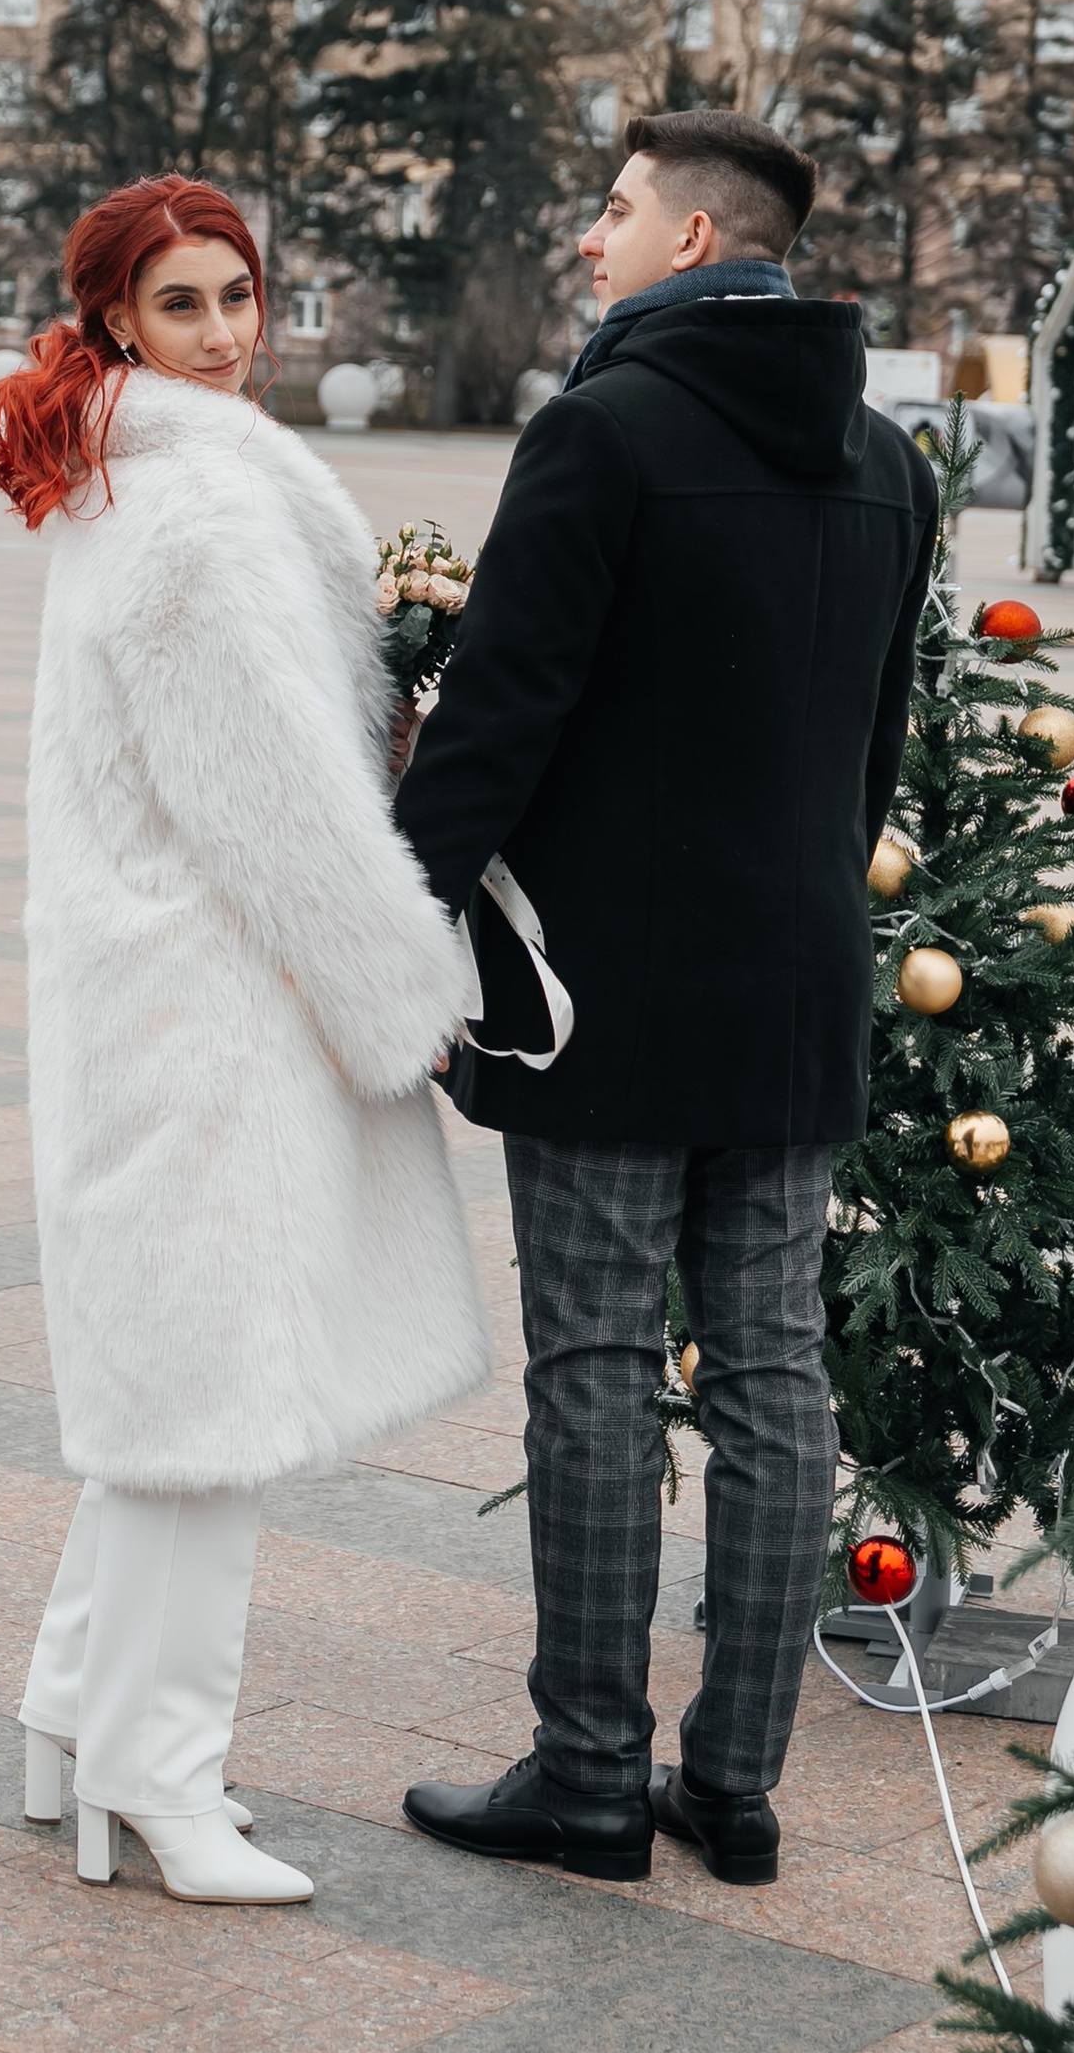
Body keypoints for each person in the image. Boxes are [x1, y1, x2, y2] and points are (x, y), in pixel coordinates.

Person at [394, 109, 937, 1887]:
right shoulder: (885, 459)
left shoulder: (600, 433)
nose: (590, 237)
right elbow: (873, 752)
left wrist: (396, 919)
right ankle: (738, 1783)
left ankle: (587, 1771)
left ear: (697, 243)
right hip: (794, 993)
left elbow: (499, 715)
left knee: (602, 1372)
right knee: (778, 1376)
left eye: (616, 212)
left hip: (600, 996)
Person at [0, 174, 487, 1906]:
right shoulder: (195, 514)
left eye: (238, 297)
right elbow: (275, 807)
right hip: (213, 1006)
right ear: (119, 319)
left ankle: (71, 1724)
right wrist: (401, 993)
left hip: (165, 990)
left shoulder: (139, 476)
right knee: (204, 1411)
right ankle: (159, 1776)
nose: (223, 331)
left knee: (161, 1394)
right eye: (183, 303)